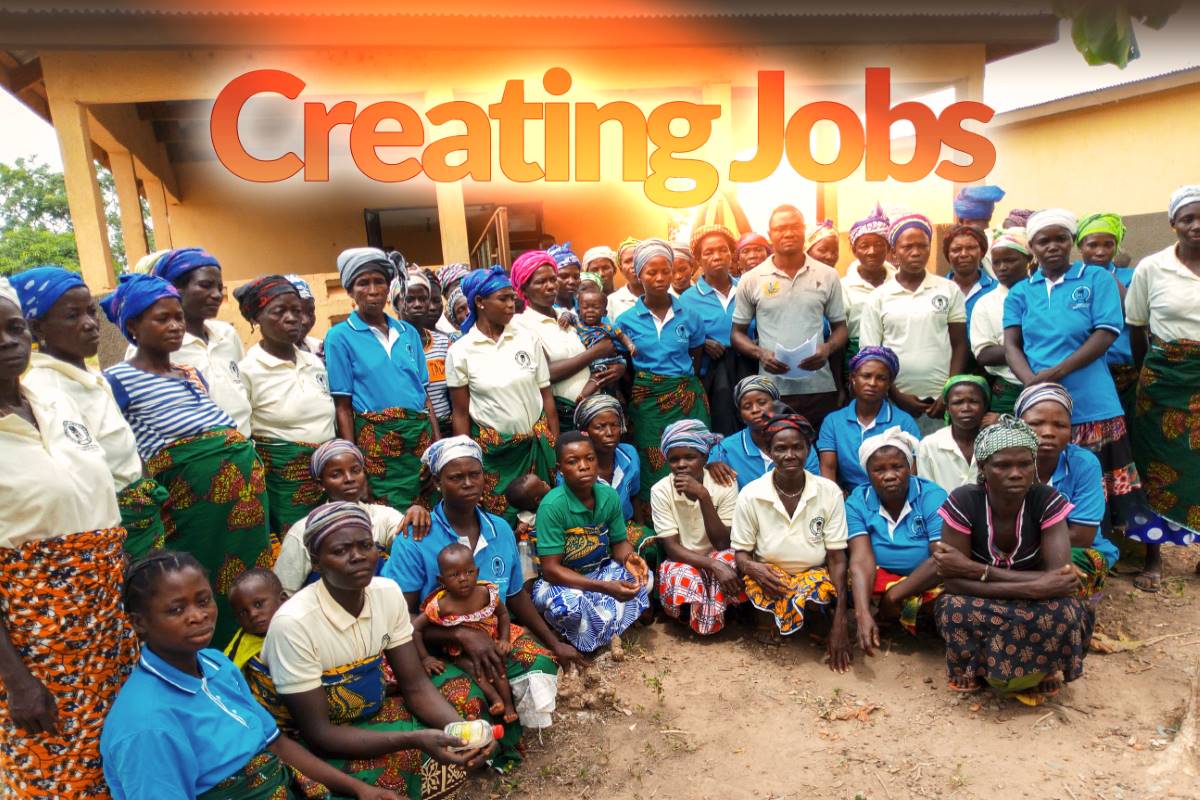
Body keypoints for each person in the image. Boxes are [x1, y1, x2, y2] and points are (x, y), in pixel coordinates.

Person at [101, 551, 403, 800]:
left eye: (203, 601)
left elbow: (276, 744)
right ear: (139, 623)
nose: (198, 615)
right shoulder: (147, 724)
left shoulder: (216, 665)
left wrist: (361, 790)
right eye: (177, 609)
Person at [247, 502, 496, 797]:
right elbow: (319, 734)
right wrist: (414, 739)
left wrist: (462, 733)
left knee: (466, 702)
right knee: (398, 761)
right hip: (306, 734)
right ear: (316, 562)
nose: (358, 557)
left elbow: (415, 685)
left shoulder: (386, 593)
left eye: (366, 545)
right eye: (340, 551)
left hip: (366, 704)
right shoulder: (294, 623)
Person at [0, 277, 138, 798]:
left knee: (118, 746)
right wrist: (16, 680)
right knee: (58, 763)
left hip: (107, 619)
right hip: (40, 638)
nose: (7, 341)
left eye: (13, 329)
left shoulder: (51, 400)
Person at [103, 273, 271, 646]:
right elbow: (119, 445)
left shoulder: (190, 373)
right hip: (194, 501)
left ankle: (253, 657)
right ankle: (213, 654)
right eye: (162, 319)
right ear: (132, 326)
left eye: (178, 317)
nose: (176, 326)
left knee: (252, 579)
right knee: (201, 576)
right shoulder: (118, 380)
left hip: (244, 498)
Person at [383, 437, 575, 741]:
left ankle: (517, 726)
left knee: (539, 662)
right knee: (468, 699)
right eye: (456, 477)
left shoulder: (499, 529)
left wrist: (553, 641)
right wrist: (458, 634)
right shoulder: (417, 536)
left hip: (492, 637)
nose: (468, 483)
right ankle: (488, 744)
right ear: (437, 482)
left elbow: (515, 596)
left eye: (475, 474)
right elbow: (398, 616)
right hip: (433, 646)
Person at [932, 417, 1092, 707]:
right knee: (953, 608)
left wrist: (976, 570)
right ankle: (975, 668)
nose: (1016, 473)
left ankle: (1045, 666)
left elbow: (1061, 578)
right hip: (988, 596)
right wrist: (1032, 587)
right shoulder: (964, 501)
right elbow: (953, 581)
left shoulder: (1046, 500)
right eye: (1003, 466)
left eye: (1025, 464)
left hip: (1002, 593)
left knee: (1068, 610)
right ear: (983, 469)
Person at [15, 265, 167, 558]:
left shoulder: (93, 377)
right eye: (73, 316)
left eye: (91, 312)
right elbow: (79, 475)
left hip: (139, 512)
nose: (89, 323)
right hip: (111, 521)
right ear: (37, 328)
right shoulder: (45, 389)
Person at [1004, 209, 1142, 528]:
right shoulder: (1021, 292)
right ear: (1032, 248)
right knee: (1050, 479)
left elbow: (1106, 332)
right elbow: (1011, 344)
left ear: (1071, 243)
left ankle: (1106, 548)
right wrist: (1033, 385)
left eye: (1060, 239)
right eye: (1043, 241)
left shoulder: (1096, 279)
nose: (1052, 246)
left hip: (1094, 403)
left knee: (1108, 482)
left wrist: (1052, 375)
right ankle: (1054, 545)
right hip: (1043, 408)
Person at [730, 413, 852, 670]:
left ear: (808, 449)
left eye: (797, 447)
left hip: (813, 573)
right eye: (780, 448)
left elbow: (837, 557)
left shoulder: (828, 492)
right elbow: (741, 553)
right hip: (769, 574)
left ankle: (815, 615)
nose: (790, 455)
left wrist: (841, 621)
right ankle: (767, 618)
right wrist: (754, 568)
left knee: (824, 584)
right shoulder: (751, 494)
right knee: (756, 577)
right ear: (769, 451)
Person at [1124, 185, 1200, 591]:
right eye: (1187, 217)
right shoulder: (1152, 267)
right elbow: (1136, 325)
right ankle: (1154, 555)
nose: (1196, 225)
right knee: (1153, 465)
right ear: (1173, 224)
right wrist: (1146, 373)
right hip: (1164, 379)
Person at [325, 249, 435, 510]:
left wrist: (436, 449)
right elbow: (343, 406)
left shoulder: (407, 332)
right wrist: (354, 463)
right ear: (351, 291)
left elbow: (424, 395)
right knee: (387, 518)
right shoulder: (340, 337)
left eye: (379, 282)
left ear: (389, 287)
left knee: (427, 511)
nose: (373, 290)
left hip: (418, 440)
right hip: (377, 448)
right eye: (363, 283)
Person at [447, 266, 558, 521]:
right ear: (479, 302)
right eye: (503, 298)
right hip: (496, 456)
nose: (512, 305)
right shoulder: (461, 351)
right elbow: (461, 414)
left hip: (537, 448)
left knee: (545, 520)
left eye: (513, 298)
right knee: (502, 520)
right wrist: (466, 459)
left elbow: (546, 395)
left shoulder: (527, 339)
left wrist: (552, 444)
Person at [532, 432, 652, 653]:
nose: (583, 466)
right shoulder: (552, 506)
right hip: (563, 581)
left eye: (589, 458)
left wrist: (630, 558)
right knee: (569, 606)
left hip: (599, 571)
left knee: (644, 578)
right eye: (573, 461)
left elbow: (619, 543)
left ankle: (602, 631)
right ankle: (597, 633)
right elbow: (550, 570)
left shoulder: (608, 496)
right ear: (560, 469)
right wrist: (605, 588)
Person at [731, 205, 848, 429]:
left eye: (794, 227)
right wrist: (761, 354)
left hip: (819, 387)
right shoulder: (752, 279)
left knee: (817, 455)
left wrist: (827, 348)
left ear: (803, 230)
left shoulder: (828, 275)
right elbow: (737, 334)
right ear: (770, 234)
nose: (788, 233)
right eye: (781, 228)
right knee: (778, 454)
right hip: (771, 390)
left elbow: (841, 328)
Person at [235, 275, 334, 537]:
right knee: (296, 547)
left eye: (296, 311)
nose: (293, 318)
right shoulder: (248, 371)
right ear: (256, 319)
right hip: (284, 485)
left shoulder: (313, 362)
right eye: (279, 312)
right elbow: (243, 434)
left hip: (329, 476)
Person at [616, 238, 710, 499]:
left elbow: (697, 354)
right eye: (651, 272)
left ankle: (697, 515)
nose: (660, 278)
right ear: (638, 274)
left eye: (665, 271)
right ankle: (657, 521)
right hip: (647, 402)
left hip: (687, 398)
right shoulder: (626, 320)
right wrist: (637, 393)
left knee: (693, 453)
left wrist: (683, 383)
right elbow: (624, 368)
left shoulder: (689, 314)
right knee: (651, 456)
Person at [859, 212, 968, 435]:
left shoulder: (947, 289)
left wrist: (949, 391)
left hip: (939, 401)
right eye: (907, 247)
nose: (916, 252)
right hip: (895, 401)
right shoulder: (879, 297)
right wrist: (894, 393)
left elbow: (959, 345)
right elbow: (871, 354)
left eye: (923, 245)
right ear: (893, 252)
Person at [273, 439, 422, 595]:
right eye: (336, 474)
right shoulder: (303, 531)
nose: (349, 479)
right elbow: (284, 592)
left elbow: (410, 545)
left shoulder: (383, 516)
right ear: (320, 483)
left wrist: (416, 513)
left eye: (355, 470)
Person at [1015, 384, 1118, 600]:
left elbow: (1082, 536)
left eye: (1060, 425)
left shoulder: (1084, 464)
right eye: (1036, 423)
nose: (1048, 432)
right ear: (1017, 425)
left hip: (1073, 549)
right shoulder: (1003, 461)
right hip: (1014, 551)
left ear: (1071, 429)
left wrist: (1018, 554)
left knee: (1075, 566)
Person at [846, 428, 947, 644]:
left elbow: (941, 558)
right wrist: (862, 614)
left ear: (910, 467)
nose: (890, 475)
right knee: (853, 580)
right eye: (879, 469)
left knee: (946, 594)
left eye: (897, 467)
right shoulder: (857, 501)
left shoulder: (931, 496)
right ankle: (881, 618)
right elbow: (861, 558)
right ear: (867, 472)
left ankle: (906, 618)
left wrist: (895, 595)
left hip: (925, 580)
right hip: (880, 578)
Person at [137, 247, 253, 434]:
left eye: (219, 287)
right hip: (195, 455)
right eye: (205, 285)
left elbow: (243, 389)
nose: (216, 294)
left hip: (245, 449)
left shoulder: (226, 334)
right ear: (175, 290)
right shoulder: (152, 346)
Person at [652, 419, 743, 635]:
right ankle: (689, 617)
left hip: (719, 554)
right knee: (682, 573)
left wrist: (703, 496)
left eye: (690, 457)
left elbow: (723, 542)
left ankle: (730, 613)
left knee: (732, 559)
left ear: (704, 457)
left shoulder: (724, 483)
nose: (681, 464)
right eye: (674, 460)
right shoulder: (660, 490)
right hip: (685, 559)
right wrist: (711, 565)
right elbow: (672, 548)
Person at [413, 543, 520, 723]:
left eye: (469, 572)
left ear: (477, 572)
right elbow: (415, 629)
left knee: (497, 663)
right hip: (459, 650)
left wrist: (503, 638)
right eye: (454, 575)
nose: (463, 578)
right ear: (442, 580)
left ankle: (509, 706)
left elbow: (502, 614)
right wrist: (425, 658)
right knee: (472, 668)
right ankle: (495, 699)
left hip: (489, 639)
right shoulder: (441, 605)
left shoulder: (485, 592)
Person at [511, 250, 613, 429]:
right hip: (563, 416)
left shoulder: (569, 316)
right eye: (541, 282)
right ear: (524, 289)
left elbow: (604, 346)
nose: (550, 286)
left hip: (595, 411)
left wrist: (616, 367)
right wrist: (595, 352)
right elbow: (547, 373)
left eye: (552, 279)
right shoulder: (520, 325)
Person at [816, 347, 921, 492]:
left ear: (889, 384)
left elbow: (912, 473)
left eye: (881, 378)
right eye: (866, 376)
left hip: (894, 497)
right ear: (853, 378)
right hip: (850, 500)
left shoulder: (904, 422)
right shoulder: (833, 422)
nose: (872, 383)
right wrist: (835, 500)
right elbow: (828, 469)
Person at [681, 224, 744, 435]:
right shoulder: (687, 299)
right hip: (713, 377)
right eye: (708, 252)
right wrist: (703, 342)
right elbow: (682, 338)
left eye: (723, 250)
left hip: (748, 368)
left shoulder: (746, 288)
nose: (717, 256)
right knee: (722, 427)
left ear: (731, 254)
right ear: (698, 260)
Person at [709, 377, 818, 489]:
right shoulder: (725, 450)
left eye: (762, 403)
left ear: (776, 405)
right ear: (741, 416)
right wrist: (709, 466)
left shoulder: (799, 443)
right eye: (747, 406)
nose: (755, 410)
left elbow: (813, 487)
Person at [1077, 212, 1137, 415]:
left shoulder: (1129, 277)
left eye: (1108, 244)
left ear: (1116, 246)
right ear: (1079, 247)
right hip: (1084, 369)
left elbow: (1132, 311)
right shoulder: (1073, 278)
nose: (1100, 251)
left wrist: (1107, 276)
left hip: (1124, 370)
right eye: (1092, 245)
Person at [969, 228, 1032, 413]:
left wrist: (1008, 348)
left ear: (1028, 259)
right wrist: (1034, 345)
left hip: (1050, 382)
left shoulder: (1045, 294)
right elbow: (984, 355)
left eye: (1010, 260)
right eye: (996, 262)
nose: (1002, 267)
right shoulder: (986, 303)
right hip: (1007, 390)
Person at [394, 270, 453, 432]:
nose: (418, 304)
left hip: (448, 427)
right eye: (409, 299)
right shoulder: (390, 345)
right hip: (412, 430)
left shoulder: (443, 342)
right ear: (396, 303)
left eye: (423, 298)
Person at [916, 375, 990, 493]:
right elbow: (927, 492)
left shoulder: (995, 442)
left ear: (985, 406)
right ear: (947, 408)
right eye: (958, 402)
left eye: (974, 401)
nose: (966, 408)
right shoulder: (930, 445)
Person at [840, 204, 894, 361]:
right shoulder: (844, 287)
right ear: (854, 250)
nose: (872, 251)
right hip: (856, 357)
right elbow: (840, 333)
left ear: (889, 248)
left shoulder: (899, 283)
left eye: (879, 245)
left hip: (897, 352)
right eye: (864, 246)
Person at [572, 282, 635, 399]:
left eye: (595, 307)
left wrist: (630, 345)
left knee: (599, 376)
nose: (590, 310)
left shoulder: (607, 327)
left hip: (608, 361)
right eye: (585, 307)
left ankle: (583, 395)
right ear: (579, 310)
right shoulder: (577, 323)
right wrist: (565, 316)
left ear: (604, 312)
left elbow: (621, 336)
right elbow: (569, 316)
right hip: (591, 360)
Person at [225, 567, 288, 670]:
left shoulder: (300, 623)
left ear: (282, 599)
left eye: (258, 604)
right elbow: (227, 675)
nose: (252, 614)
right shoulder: (241, 645)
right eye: (243, 612)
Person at [943, 224, 997, 333]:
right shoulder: (936, 290)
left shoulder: (996, 290)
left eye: (971, 248)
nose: (963, 254)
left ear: (982, 252)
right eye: (956, 249)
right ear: (947, 254)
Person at [285, 274, 324, 355]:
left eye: (310, 312)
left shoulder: (321, 349)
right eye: (297, 312)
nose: (305, 321)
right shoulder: (257, 363)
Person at [606, 237, 644, 320]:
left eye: (637, 259)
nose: (633, 265)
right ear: (621, 269)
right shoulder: (612, 301)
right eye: (627, 261)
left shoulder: (663, 296)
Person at [434, 263, 471, 337]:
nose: (461, 287)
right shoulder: (440, 326)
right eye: (457, 284)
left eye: (465, 282)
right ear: (445, 294)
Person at [548, 242, 582, 311]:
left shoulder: (589, 308)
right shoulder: (545, 312)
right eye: (564, 276)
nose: (572, 282)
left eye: (576, 277)